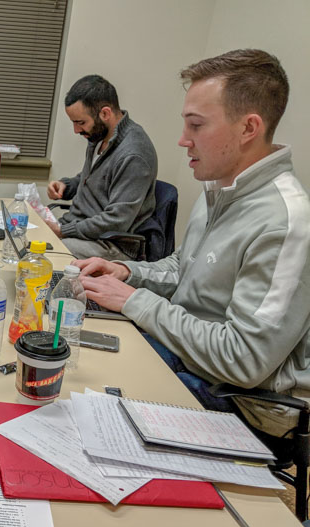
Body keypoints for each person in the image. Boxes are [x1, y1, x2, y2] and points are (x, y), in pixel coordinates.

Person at [76, 49, 309, 441]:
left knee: (89, 400)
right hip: (191, 358)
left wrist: (135, 301)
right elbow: (184, 269)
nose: (183, 141)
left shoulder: (287, 223)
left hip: (244, 403)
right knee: (77, 352)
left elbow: (244, 361)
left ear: (248, 128)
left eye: (196, 126)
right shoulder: (219, 188)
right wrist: (129, 272)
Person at [46, 75, 158, 260]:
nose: (76, 130)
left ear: (105, 113)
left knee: (43, 252)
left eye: (80, 122)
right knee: (27, 235)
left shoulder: (134, 155)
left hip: (111, 244)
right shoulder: (99, 135)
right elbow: (97, 177)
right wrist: (68, 186)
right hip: (82, 231)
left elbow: (116, 221)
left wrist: (62, 230)